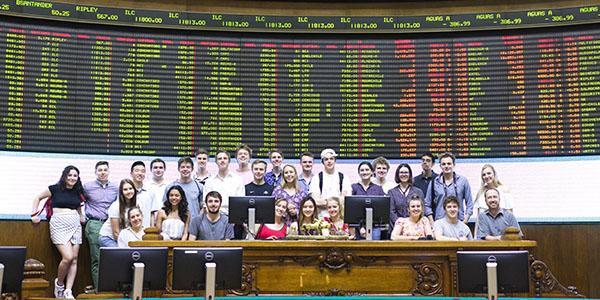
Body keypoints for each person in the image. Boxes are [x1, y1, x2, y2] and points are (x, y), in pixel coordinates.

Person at [31, 166, 87, 299]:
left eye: (75, 175)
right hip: (59, 224)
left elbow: (79, 207)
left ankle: (68, 291)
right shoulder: (55, 188)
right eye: (70, 175)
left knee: (74, 259)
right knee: (67, 257)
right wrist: (33, 214)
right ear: (64, 176)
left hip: (75, 225)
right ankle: (60, 284)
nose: (72, 178)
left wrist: (81, 216)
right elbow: (38, 197)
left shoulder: (78, 191)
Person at [82, 161, 118, 292]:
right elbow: (78, 201)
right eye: (100, 170)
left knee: (113, 256)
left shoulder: (116, 187)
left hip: (111, 224)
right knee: (97, 258)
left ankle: (112, 289)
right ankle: (100, 290)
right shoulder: (87, 187)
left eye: (105, 170)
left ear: (108, 171)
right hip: (94, 224)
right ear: (95, 172)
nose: (103, 172)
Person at [424, 152, 473, 224]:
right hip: (440, 223)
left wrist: (465, 220)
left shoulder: (463, 181)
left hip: (459, 222)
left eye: (449, 163)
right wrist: (432, 222)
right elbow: (427, 205)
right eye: (443, 164)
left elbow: (469, 203)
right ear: (440, 166)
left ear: (454, 165)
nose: (446, 166)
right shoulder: (434, 183)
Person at [309, 148, 351, 217]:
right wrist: (336, 201)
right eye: (326, 159)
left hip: (340, 219)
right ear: (323, 162)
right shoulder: (316, 178)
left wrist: (325, 201)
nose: (329, 161)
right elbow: (315, 201)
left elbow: (345, 200)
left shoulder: (344, 178)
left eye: (331, 159)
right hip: (322, 218)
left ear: (335, 161)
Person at [98, 179, 139, 247]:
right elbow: (115, 232)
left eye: (130, 188)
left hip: (122, 237)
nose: (129, 191)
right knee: (123, 254)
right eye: (125, 189)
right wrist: (126, 246)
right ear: (121, 192)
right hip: (108, 238)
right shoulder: (115, 206)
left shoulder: (138, 204)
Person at [202, 149, 245, 214]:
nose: (222, 160)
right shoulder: (209, 181)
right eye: (219, 159)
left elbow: (241, 202)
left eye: (225, 158)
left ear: (229, 161)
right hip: (214, 216)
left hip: (233, 216)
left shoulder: (238, 180)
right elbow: (205, 203)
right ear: (216, 162)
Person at [351, 161, 385, 239]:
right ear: (359, 173)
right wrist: (360, 227)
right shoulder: (354, 188)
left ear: (372, 172)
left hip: (375, 227)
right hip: (358, 228)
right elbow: (352, 211)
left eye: (367, 170)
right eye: (362, 170)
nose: (364, 172)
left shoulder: (378, 189)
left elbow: (382, 209)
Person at [388, 163, 424, 229]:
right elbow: (391, 212)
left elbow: (421, 211)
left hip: (415, 228)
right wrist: (402, 225)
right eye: (401, 172)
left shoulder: (418, 192)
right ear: (398, 175)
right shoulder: (391, 192)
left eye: (406, 172)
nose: (404, 174)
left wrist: (412, 224)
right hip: (396, 228)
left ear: (410, 174)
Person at [129, 161, 158, 227]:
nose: (140, 173)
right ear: (131, 174)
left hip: (145, 231)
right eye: (137, 171)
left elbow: (152, 214)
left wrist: (152, 230)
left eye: (143, 171)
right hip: (129, 232)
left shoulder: (150, 192)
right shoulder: (126, 192)